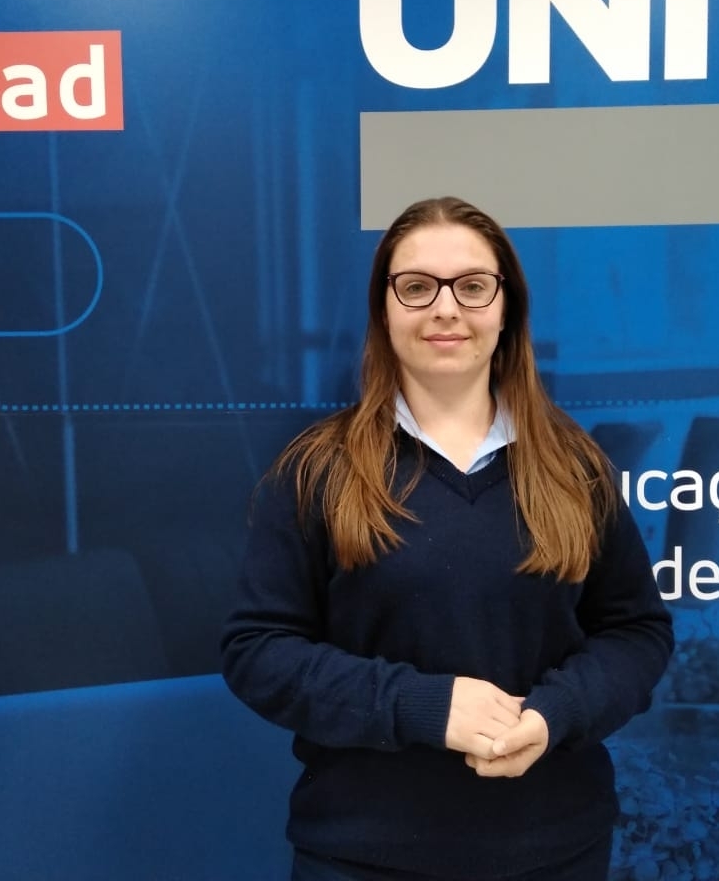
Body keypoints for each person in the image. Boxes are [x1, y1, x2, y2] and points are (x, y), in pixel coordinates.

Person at [221, 197, 674, 881]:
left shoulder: (575, 467)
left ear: (506, 307)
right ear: (384, 309)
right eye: (416, 287)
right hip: (362, 856)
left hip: (557, 851)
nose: (445, 309)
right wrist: (424, 707)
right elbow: (259, 651)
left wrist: (557, 713)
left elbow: (636, 632)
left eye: (472, 286)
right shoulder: (316, 469)